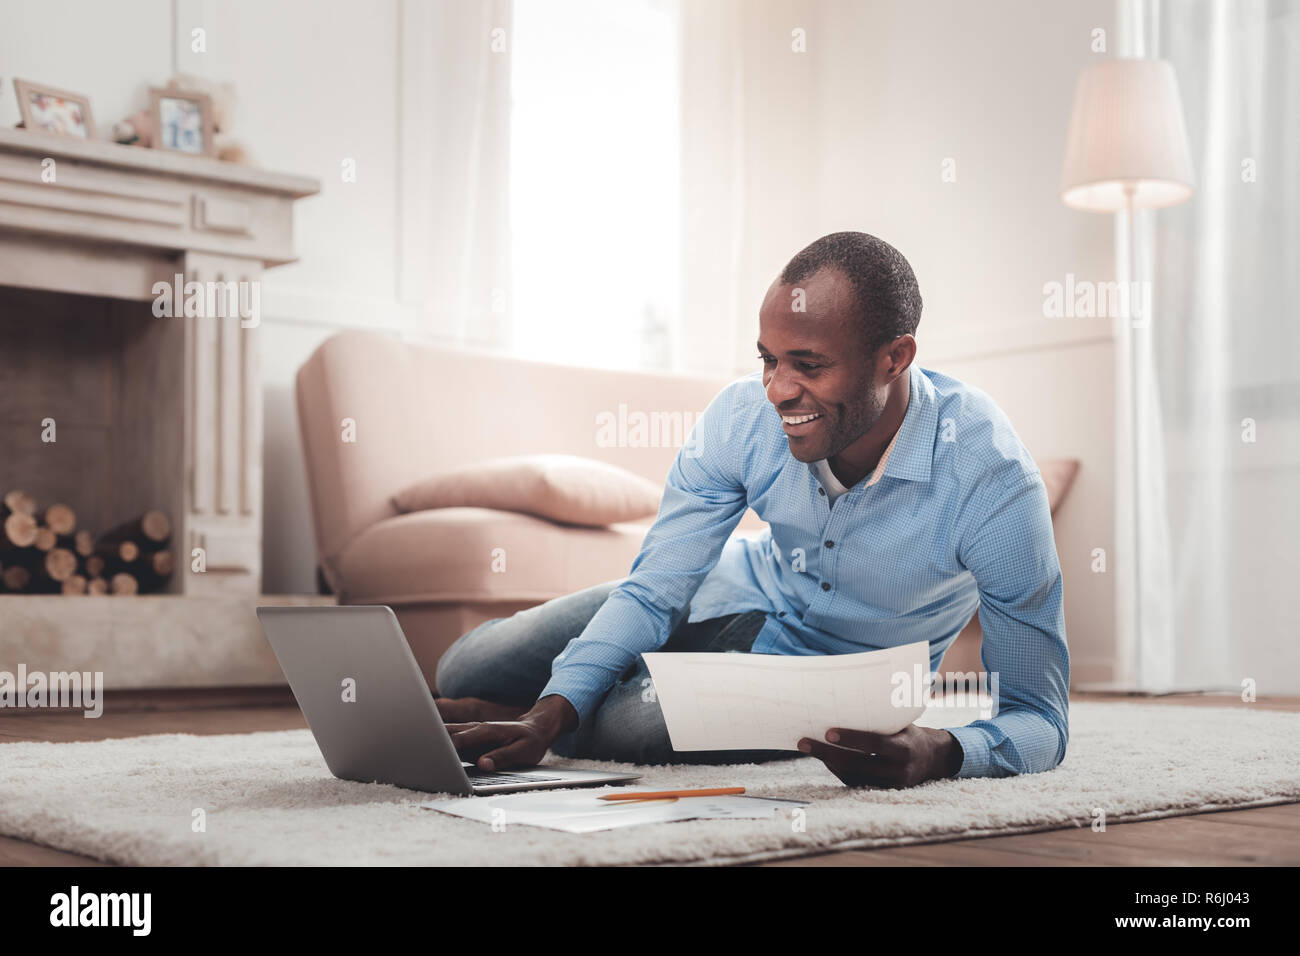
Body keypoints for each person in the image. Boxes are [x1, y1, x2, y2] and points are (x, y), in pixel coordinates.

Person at [436, 231, 1069, 788]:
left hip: (835, 671)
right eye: (768, 359)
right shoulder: (742, 418)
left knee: (634, 729)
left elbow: (1039, 718)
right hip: (731, 589)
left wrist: (941, 751)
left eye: (809, 365)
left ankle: (519, 710)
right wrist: (552, 710)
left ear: (895, 357)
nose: (778, 390)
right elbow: (656, 588)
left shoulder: (992, 478)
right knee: (464, 664)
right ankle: (524, 704)